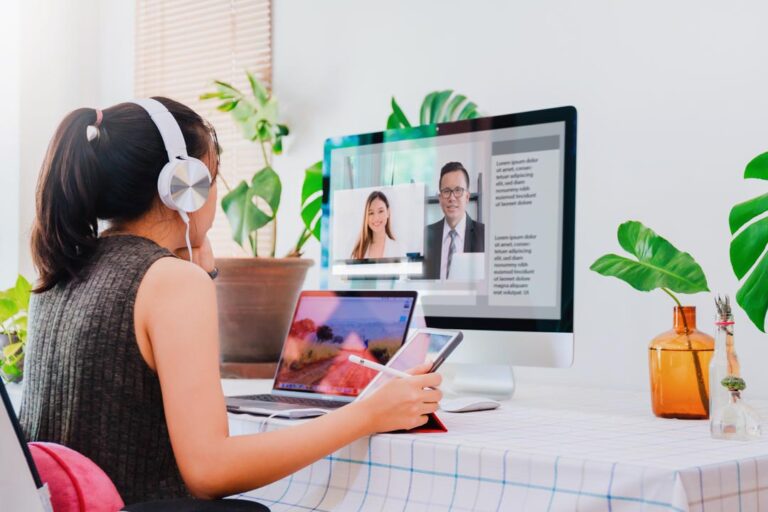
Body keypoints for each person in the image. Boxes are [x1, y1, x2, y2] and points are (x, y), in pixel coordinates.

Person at [19, 98, 441, 505]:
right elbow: (209, 471)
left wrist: (194, 267)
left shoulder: (61, 271)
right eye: (213, 176)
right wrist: (370, 413)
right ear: (185, 187)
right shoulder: (170, 282)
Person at [423, 162, 485, 280]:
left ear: (467, 196)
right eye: (446, 191)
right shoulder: (426, 235)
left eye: (458, 190)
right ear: (440, 198)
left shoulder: (485, 235)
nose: (452, 198)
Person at [350, 190, 402, 259]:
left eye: (380, 211)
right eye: (371, 213)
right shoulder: (358, 251)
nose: (376, 218)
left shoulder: (398, 248)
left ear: (388, 212)